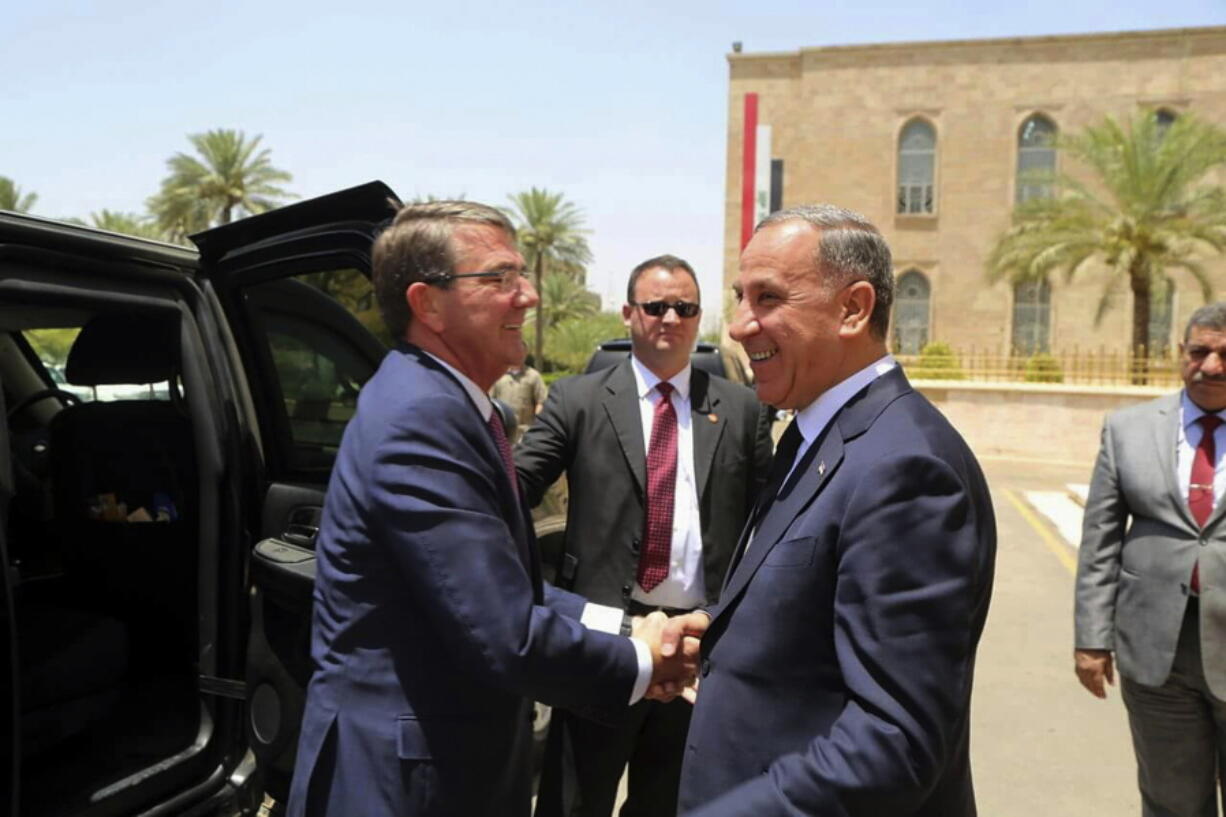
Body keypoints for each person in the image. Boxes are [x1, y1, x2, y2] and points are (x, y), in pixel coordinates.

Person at [285, 201, 697, 817]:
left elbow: (497, 587)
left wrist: (623, 626)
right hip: (407, 784)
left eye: (523, 275)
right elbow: (502, 632)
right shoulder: (422, 418)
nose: (528, 296)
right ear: (428, 304)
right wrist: (646, 659)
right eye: (500, 278)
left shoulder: (440, 400)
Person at [672, 205, 997, 816]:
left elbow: (894, 740)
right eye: (742, 297)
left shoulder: (905, 469)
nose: (741, 326)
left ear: (853, 308)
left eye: (768, 298)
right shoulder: (820, 433)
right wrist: (726, 630)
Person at [517, 254, 774, 817]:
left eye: (685, 307)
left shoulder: (742, 410)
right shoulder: (576, 401)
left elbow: (771, 525)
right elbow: (511, 490)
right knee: (573, 801)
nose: (670, 318)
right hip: (605, 644)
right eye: (656, 306)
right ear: (629, 314)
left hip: (697, 652)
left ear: (699, 317)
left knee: (672, 803)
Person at [1075, 302, 1226, 817]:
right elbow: (1101, 538)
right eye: (1199, 351)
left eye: (1225, 354)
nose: (1211, 366)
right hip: (1156, 654)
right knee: (1171, 801)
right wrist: (1092, 638)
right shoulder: (1127, 430)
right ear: (1180, 354)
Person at [492, 342, 548, 442]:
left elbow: (541, 401)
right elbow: (490, 401)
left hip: (525, 433)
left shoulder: (533, 376)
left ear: (526, 354)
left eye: (521, 351)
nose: (518, 354)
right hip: (503, 432)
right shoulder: (498, 375)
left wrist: (537, 425)